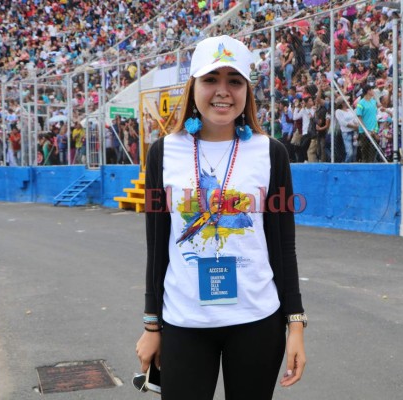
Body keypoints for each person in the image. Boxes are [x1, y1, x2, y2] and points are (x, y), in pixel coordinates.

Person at [136, 35, 306, 400]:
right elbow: (157, 246)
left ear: (247, 90)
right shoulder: (163, 153)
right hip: (184, 321)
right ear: (193, 85)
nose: (222, 91)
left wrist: (295, 324)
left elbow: (283, 246)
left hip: (257, 321)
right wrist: (152, 324)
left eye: (234, 80)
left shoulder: (271, 153)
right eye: (211, 79)